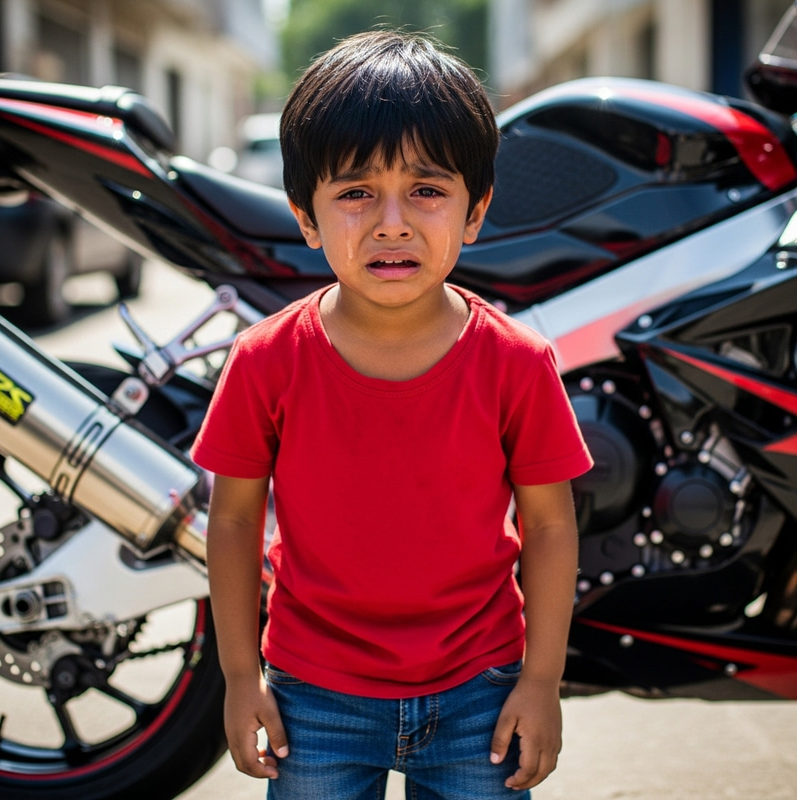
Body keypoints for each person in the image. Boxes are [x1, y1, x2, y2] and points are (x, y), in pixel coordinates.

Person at [191, 29, 593, 800]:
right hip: (314, 696)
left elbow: (548, 526)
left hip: (482, 693)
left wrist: (542, 682)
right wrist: (242, 678)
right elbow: (236, 522)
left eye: (427, 190)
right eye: (354, 193)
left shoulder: (517, 362)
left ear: (475, 211)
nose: (392, 222)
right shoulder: (264, 361)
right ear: (305, 217)